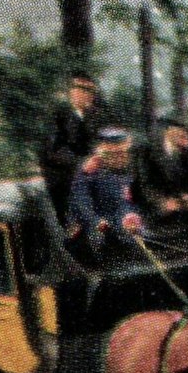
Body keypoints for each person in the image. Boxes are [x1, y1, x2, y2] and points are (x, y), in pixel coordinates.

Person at [65, 128, 144, 268]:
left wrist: (129, 216)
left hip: (120, 220)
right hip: (92, 222)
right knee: (98, 240)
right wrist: (95, 220)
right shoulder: (88, 172)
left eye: (122, 153)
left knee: (140, 235)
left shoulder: (130, 170)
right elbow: (81, 202)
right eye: (114, 154)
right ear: (104, 153)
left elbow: (130, 200)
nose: (119, 158)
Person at [131, 116, 188, 247]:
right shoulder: (146, 152)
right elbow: (144, 185)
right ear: (168, 131)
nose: (184, 135)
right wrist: (163, 202)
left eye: (185, 132)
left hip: (184, 205)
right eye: (179, 131)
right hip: (155, 207)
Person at [38, 74, 109, 206]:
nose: (88, 94)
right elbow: (54, 150)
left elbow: (101, 140)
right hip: (65, 182)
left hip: (95, 181)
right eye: (82, 88)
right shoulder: (57, 116)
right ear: (71, 91)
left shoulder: (96, 117)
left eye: (91, 90)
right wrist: (82, 164)